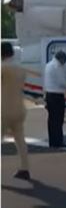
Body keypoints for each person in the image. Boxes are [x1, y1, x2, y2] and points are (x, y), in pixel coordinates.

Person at [1, 42, 30, 180]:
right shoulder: (21, 70)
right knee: (20, 139)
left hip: (4, 109)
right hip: (19, 109)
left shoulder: (2, 69)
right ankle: (25, 168)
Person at [44, 51, 66, 148]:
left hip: (49, 94)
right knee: (58, 120)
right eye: (64, 60)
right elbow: (62, 82)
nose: (64, 63)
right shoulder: (58, 67)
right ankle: (58, 142)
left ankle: (52, 142)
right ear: (61, 59)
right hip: (57, 96)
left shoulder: (48, 65)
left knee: (52, 120)